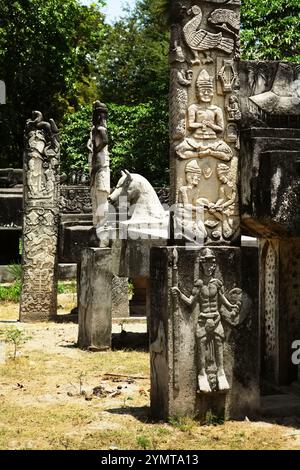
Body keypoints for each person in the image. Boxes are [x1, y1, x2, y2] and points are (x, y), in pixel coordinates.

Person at [171, 248, 240, 393]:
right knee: (201, 346)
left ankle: (221, 372)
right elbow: (190, 302)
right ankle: (202, 374)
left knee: (219, 344)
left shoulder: (217, 283)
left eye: (211, 265)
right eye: (206, 265)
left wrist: (232, 306)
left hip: (216, 318)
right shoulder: (199, 284)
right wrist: (179, 293)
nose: (209, 267)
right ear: (202, 266)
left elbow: (223, 300)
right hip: (203, 320)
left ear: (214, 266)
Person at [176, 69, 232, 161]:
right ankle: (199, 154)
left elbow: (221, 128)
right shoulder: (193, 107)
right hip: (195, 139)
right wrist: (201, 124)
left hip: (214, 140)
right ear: (197, 93)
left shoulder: (216, 109)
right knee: (179, 150)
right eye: (203, 91)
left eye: (209, 91)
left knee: (228, 153)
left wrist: (211, 125)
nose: (206, 93)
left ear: (212, 93)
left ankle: (210, 152)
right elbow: (190, 125)